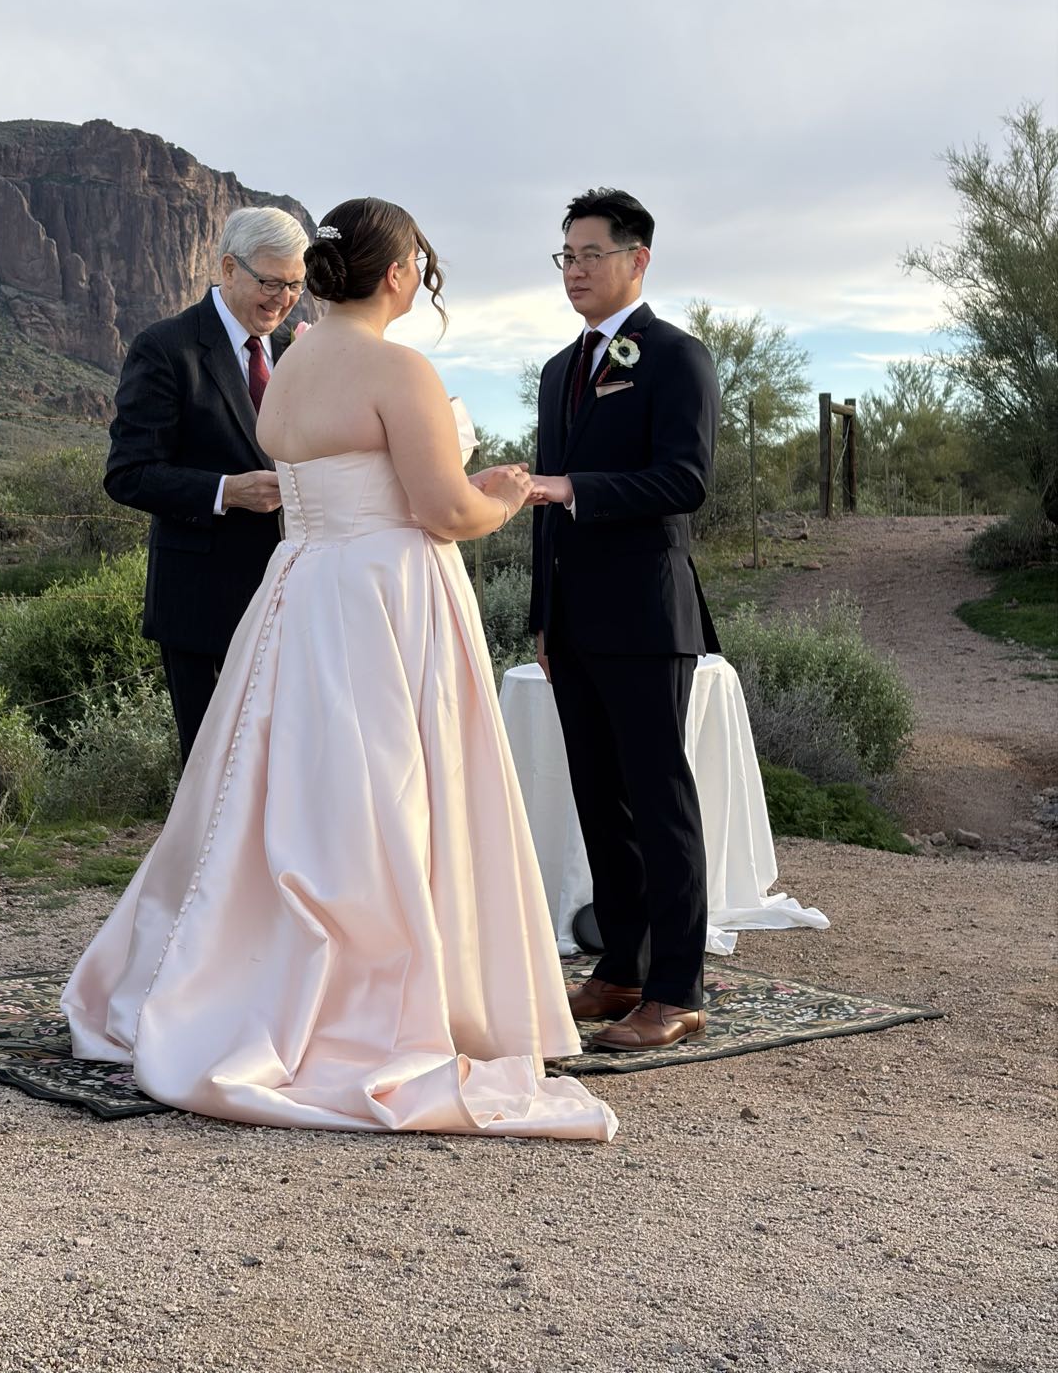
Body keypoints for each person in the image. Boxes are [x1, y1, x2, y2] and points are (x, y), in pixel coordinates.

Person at [62, 197, 617, 1141]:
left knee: (285, 796)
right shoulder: (398, 368)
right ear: (399, 273)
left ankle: (254, 976)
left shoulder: (295, 367)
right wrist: (503, 494)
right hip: (384, 595)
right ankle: (380, 1000)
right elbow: (439, 511)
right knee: (388, 793)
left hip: (302, 587)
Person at [528, 187, 721, 1052]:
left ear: (637, 260)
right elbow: (540, 502)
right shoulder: (556, 371)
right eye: (565, 256)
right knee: (600, 803)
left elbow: (686, 481)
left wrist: (576, 490)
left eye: (590, 255)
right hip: (570, 623)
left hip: (647, 618)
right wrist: (541, 611)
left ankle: (677, 989)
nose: (574, 271)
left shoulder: (678, 359)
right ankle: (620, 971)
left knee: (659, 803)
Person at [103, 206, 310, 763]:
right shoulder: (166, 348)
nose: (283, 298)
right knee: (216, 776)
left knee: (283, 774)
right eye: (270, 282)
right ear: (227, 268)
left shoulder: (298, 353)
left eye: (295, 284)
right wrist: (227, 491)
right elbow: (128, 474)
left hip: (296, 603)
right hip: (203, 607)